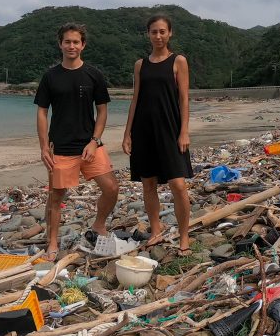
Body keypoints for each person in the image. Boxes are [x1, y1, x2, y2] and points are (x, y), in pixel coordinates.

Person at [35, 22, 119, 261]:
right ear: (60, 44)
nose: (71, 46)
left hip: (89, 145)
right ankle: (52, 242)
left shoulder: (94, 74)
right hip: (60, 148)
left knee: (112, 187)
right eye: (67, 41)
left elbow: (102, 111)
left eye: (76, 42)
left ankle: (99, 224)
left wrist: (95, 141)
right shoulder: (50, 76)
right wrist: (43, 147)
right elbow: (42, 112)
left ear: (83, 45)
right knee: (56, 197)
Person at [122, 14, 192, 255]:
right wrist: (127, 133)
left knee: (178, 184)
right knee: (148, 183)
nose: (158, 36)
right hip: (143, 130)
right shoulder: (140, 64)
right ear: (148, 34)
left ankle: (184, 237)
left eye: (163, 31)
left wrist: (184, 131)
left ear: (169, 33)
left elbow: (184, 99)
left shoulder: (178, 61)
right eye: (154, 32)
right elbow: (135, 99)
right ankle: (156, 231)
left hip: (171, 129)